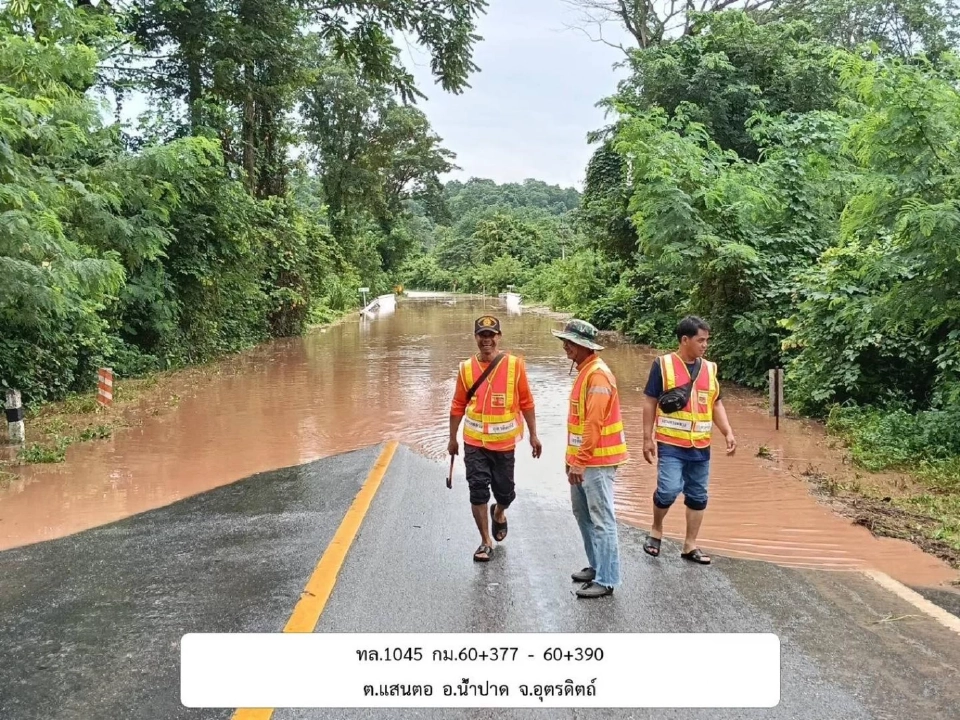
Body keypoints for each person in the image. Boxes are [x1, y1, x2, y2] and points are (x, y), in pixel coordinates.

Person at [641, 315, 736, 565]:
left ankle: (689, 544)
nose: (705, 345)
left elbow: (716, 402)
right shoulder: (663, 365)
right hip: (671, 443)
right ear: (685, 340)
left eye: (707, 340)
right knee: (668, 490)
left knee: (698, 495)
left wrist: (727, 431)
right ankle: (656, 530)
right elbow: (650, 401)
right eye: (700, 340)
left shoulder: (710, 368)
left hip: (701, 445)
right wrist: (646, 438)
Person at [449, 315, 542, 562]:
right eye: (482, 335)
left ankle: (499, 513)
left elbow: (526, 402)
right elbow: (458, 404)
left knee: (505, 493)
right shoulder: (466, 368)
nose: (486, 340)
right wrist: (452, 439)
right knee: (477, 490)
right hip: (474, 442)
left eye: (491, 335)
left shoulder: (515, 365)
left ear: (498, 337)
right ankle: (484, 541)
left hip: (504, 444)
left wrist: (534, 434)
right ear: (476, 338)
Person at [552, 319, 628, 599]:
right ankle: (597, 566)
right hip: (584, 461)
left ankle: (607, 579)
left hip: (597, 462)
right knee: (582, 513)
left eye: (570, 342)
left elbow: (593, 424)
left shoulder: (597, 376)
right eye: (565, 342)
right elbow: (577, 424)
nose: (565, 347)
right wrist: (571, 459)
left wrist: (580, 461)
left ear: (584, 346)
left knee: (602, 519)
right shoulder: (586, 372)